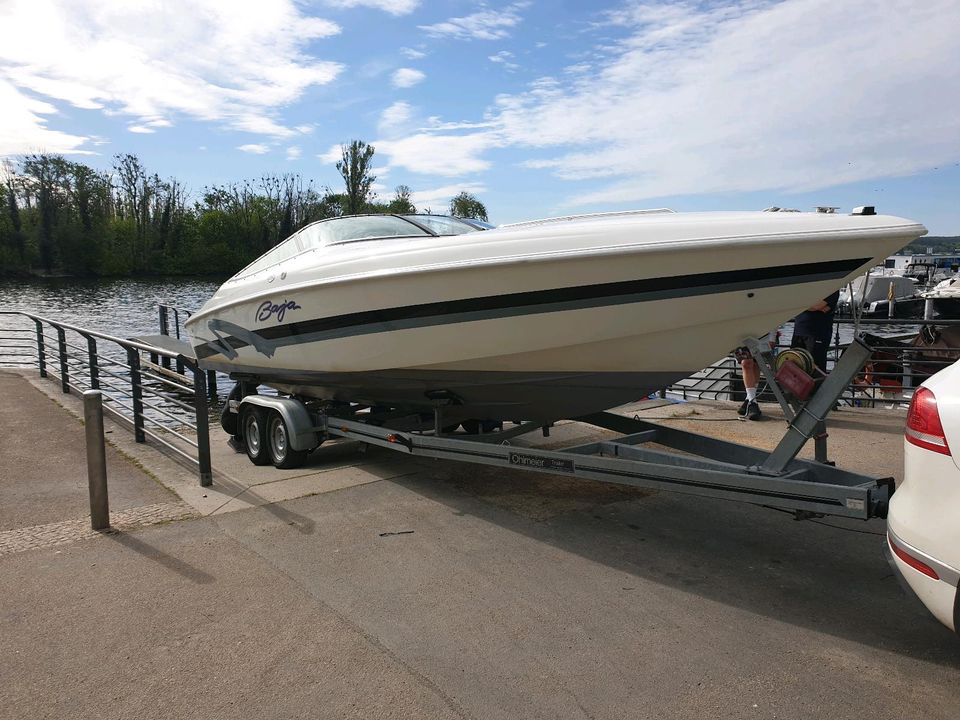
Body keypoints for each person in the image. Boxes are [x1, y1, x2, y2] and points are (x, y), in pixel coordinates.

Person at [790, 289, 841, 374]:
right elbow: (793, 300)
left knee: (815, 368)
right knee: (795, 365)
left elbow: (817, 306)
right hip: (798, 332)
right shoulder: (810, 285)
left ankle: (818, 387)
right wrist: (811, 305)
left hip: (817, 333)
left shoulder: (833, 288)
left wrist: (801, 305)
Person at [734, 329, 779, 420]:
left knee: (757, 363)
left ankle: (749, 399)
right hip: (742, 334)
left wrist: (772, 338)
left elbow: (772, 317)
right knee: (746, 363)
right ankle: (752, 402)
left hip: (764, 335)